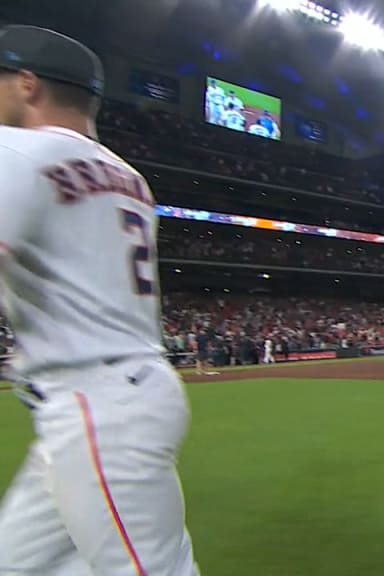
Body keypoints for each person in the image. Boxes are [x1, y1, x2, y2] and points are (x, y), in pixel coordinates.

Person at [0, 25, 200, 575]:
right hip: (119, 394)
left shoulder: (13, 149)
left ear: (26, 84)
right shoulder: (130, 178)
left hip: (94, 404)